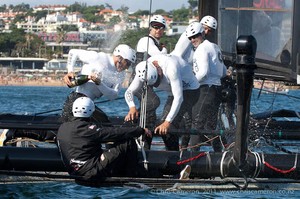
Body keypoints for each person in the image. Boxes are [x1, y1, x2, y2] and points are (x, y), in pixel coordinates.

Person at [57, 97, 191, 181]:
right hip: (90, 172)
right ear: (91, 111)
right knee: (126, 142)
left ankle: (131, 171)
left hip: (74, 173)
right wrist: (140, 130)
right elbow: (113, 132)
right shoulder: (89, 130)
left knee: (115, 145)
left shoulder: (63, 128)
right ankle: (135, 173)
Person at [124, 54, 200, 151]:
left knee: (168, 126)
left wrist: (167, 122)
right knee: (155, 119)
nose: (156, 85)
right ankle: (145, 150)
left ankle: (174, 156)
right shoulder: (142, 69)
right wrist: (132, 107)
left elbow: (179, 98)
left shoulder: (171, 68)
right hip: (173, 93)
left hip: (190, 91)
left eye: (157, 82)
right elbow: (129, 92)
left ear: (159, 71)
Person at [61, 44, 136, 124]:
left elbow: (113, 96)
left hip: (89, 104)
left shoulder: (121, 74)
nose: (127, 67)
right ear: (120, 58)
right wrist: (70, 71)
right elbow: (73, 52)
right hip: (76, 101)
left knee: (106, 124)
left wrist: (99, 83)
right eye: (127, 63)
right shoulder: (99, 57)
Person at [186, 22, 227, 152]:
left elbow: (203, 73)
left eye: (195, 36)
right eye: (190, 38)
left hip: (205, 89)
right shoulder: (215, 47)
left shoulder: (202, 49)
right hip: (216, 90)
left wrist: (190, 84)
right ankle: (218, 155)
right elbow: (224, 72)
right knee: (211, 125)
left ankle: (191, 158)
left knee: (196, 124)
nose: (193, 40)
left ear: (202, 34)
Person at [132, 15, 168, 149]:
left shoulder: (155, 43)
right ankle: (134, 125)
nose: (157, 29)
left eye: (161, 27)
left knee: (151, 116)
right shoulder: (145, 40)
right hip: (138, 80)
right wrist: (163, 49)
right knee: (153, 102)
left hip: (149, 81)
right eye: (155, 26)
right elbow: (160, 56)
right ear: (150, 28)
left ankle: (146, 147)